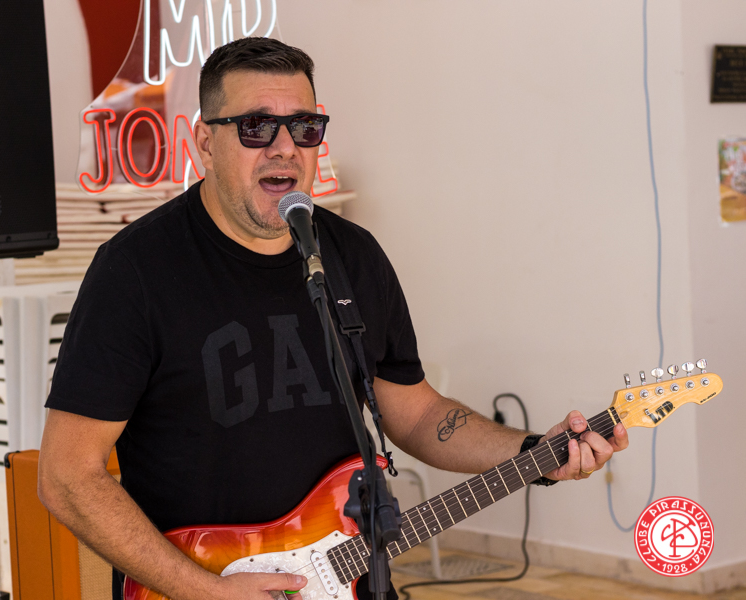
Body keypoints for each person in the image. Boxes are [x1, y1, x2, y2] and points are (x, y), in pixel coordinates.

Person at [37, 37, 629, 600]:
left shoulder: (353, 256)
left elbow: (416, 413)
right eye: (256, 126)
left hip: (347, 579)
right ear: (205, 144)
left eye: (304, 127)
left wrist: (535, 451)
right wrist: (206, 590)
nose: (284, 147)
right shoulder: (135, 272)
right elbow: (67, 476)